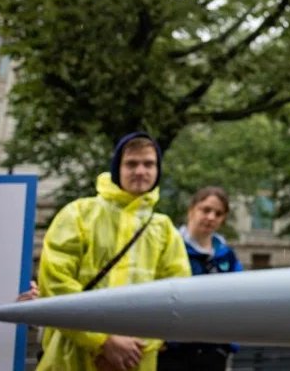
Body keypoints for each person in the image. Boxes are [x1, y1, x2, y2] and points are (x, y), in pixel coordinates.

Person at [37, 132, 191, 371]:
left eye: (148, 164)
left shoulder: (165, 230)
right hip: (72, 359)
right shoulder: (78, 214)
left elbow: (177, 298)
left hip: (135, 362)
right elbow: (54, 282)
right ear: (116, 168)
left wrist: (134, 348)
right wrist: (102, 341)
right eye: (131, 163)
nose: (140, 171)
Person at [158, 187, 242, 371]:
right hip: (172, 351)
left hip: (213, 351)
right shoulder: (169, 247)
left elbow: (239, 300)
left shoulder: (227, 256)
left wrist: (229, 346)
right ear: (192, 210)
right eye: (205, 210)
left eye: (218, 213)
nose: (211, 217)